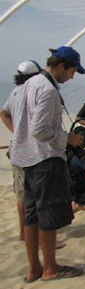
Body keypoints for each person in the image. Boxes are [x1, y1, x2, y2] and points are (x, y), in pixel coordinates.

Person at [7, 46, 85, 282]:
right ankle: (51, 268)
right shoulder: (48, 89)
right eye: (72, 71)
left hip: (25, 159)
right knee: (48, 215)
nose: (72, 76)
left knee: (31, 216)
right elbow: (40, 130)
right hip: (44, 160)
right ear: (61, 66)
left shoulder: (27, 85)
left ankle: (34, 269)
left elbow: (15, 117)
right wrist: (68, 138)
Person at [0, 61, 42, 241]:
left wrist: (15, 131)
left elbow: (4, 113)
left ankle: (22, 232)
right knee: (34, 193)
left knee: (21, 193)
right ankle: (32, 233)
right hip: (32, 150)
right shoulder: (34, 91)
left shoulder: (15, 92)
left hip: (16, 149)